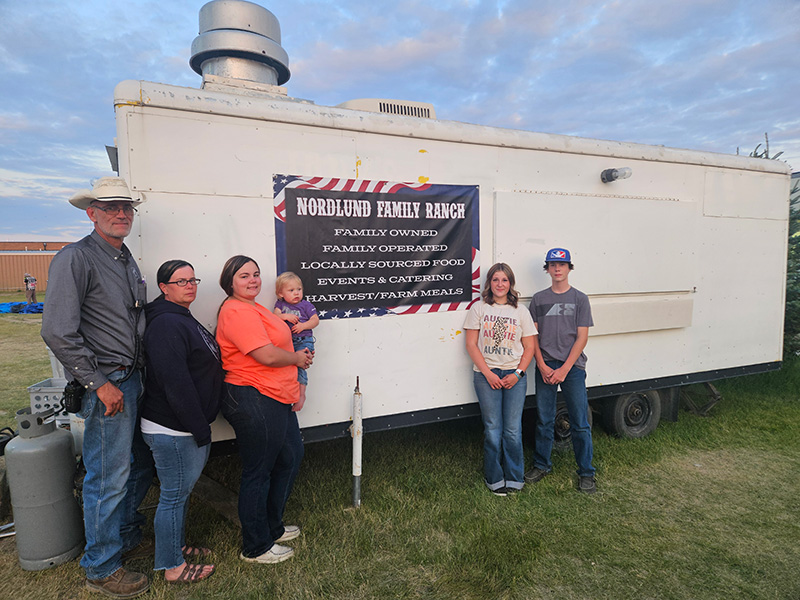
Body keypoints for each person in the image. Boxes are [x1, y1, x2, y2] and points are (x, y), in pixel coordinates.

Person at [41, 176, 154, 598]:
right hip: (108, 385)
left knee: (140, 463)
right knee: (107, 476)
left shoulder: (124, 258)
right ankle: (102, 567)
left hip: (132, 379)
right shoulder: (76, 258)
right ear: (91, 213)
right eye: (110, 207)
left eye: (127, 207)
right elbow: (57, 332)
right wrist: (99, 384)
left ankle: (123, 536)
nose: (121, 213)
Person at [215, 255, 312, 564]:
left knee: (291, 455)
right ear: (230, 281)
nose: (252, 280)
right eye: (244, 276)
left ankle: (273, 526)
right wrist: (297, 360)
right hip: (253, 395)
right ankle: (255, 546)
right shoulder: (236, 312)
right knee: (259, 470)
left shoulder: (255, 307)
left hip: (277, 394)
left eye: (256, 274)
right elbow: (267, 356)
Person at [140, 260, 222, 584]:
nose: (189, 285)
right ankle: (173, 567)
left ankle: (178, 546)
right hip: (172, 429)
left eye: (192, 279)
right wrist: (199, 428)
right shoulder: (166, 326)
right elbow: (176, 382)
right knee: (173, 497)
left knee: (180, 495)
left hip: (181, 425)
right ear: (163, 288)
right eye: (180, 281)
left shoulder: (178, 317)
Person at [525, 248, 597, 494]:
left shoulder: (580, 299)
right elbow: (532, 336)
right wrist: (543, 366)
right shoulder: (539, 299)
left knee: (579, 422)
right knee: (544, 420)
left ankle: (586, 472)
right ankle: (542, 465)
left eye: (562, 264)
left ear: (569, 268)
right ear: (547, 269)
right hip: (545, 366)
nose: (557, 269)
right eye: (553, 265)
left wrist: (565, 368)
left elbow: (582, 337)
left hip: (572, 368)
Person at [464, 263, 537, 496]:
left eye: (504, 280)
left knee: (513, 430)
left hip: (514, 376)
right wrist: (488, 373)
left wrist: (518, 374)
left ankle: (515, 477)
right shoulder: (479, 308)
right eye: (495, 280)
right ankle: (494, 478)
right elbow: (471, 345)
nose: (500, 284)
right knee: (493, 429)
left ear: (510, 284)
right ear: (489, 283)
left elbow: (530, 347)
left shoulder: (521, 312)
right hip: (486, 376)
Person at [273, 271, 319, 412]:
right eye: (291, 290)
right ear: (281, 293)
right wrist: (285, 316)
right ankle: (290, 392)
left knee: (300, 367)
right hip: (288, 342)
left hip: (304, 340)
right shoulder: (280, 305)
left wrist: (303, 326)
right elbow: (274, 317)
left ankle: (301, 395)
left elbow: (315, 320)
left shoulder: (306, 305)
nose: (296, 293)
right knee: (288, 367)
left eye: (299, 290)